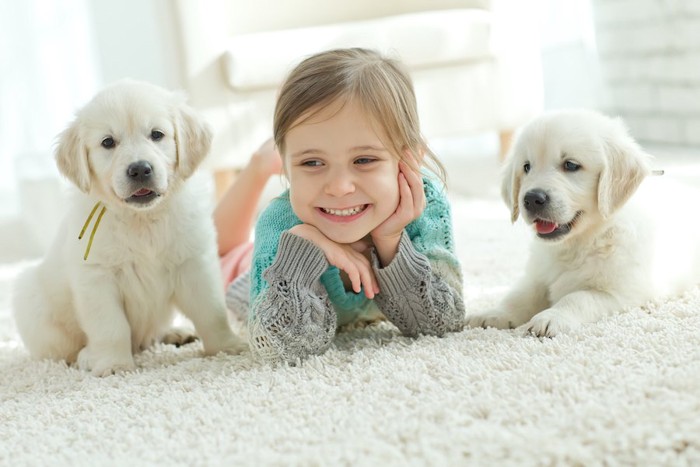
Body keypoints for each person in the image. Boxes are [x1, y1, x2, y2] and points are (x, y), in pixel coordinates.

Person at [217, 48, 465, 364]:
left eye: (364, 160)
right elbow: (277, 346)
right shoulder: (280, 222)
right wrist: (304, 246)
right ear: (288, 166)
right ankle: (259, 164)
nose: (339, 187)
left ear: (409, 158)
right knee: (217, 254)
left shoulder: (422, 204)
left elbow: (443, 322)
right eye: (312, 162)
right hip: (244, 274)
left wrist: (390, 242)